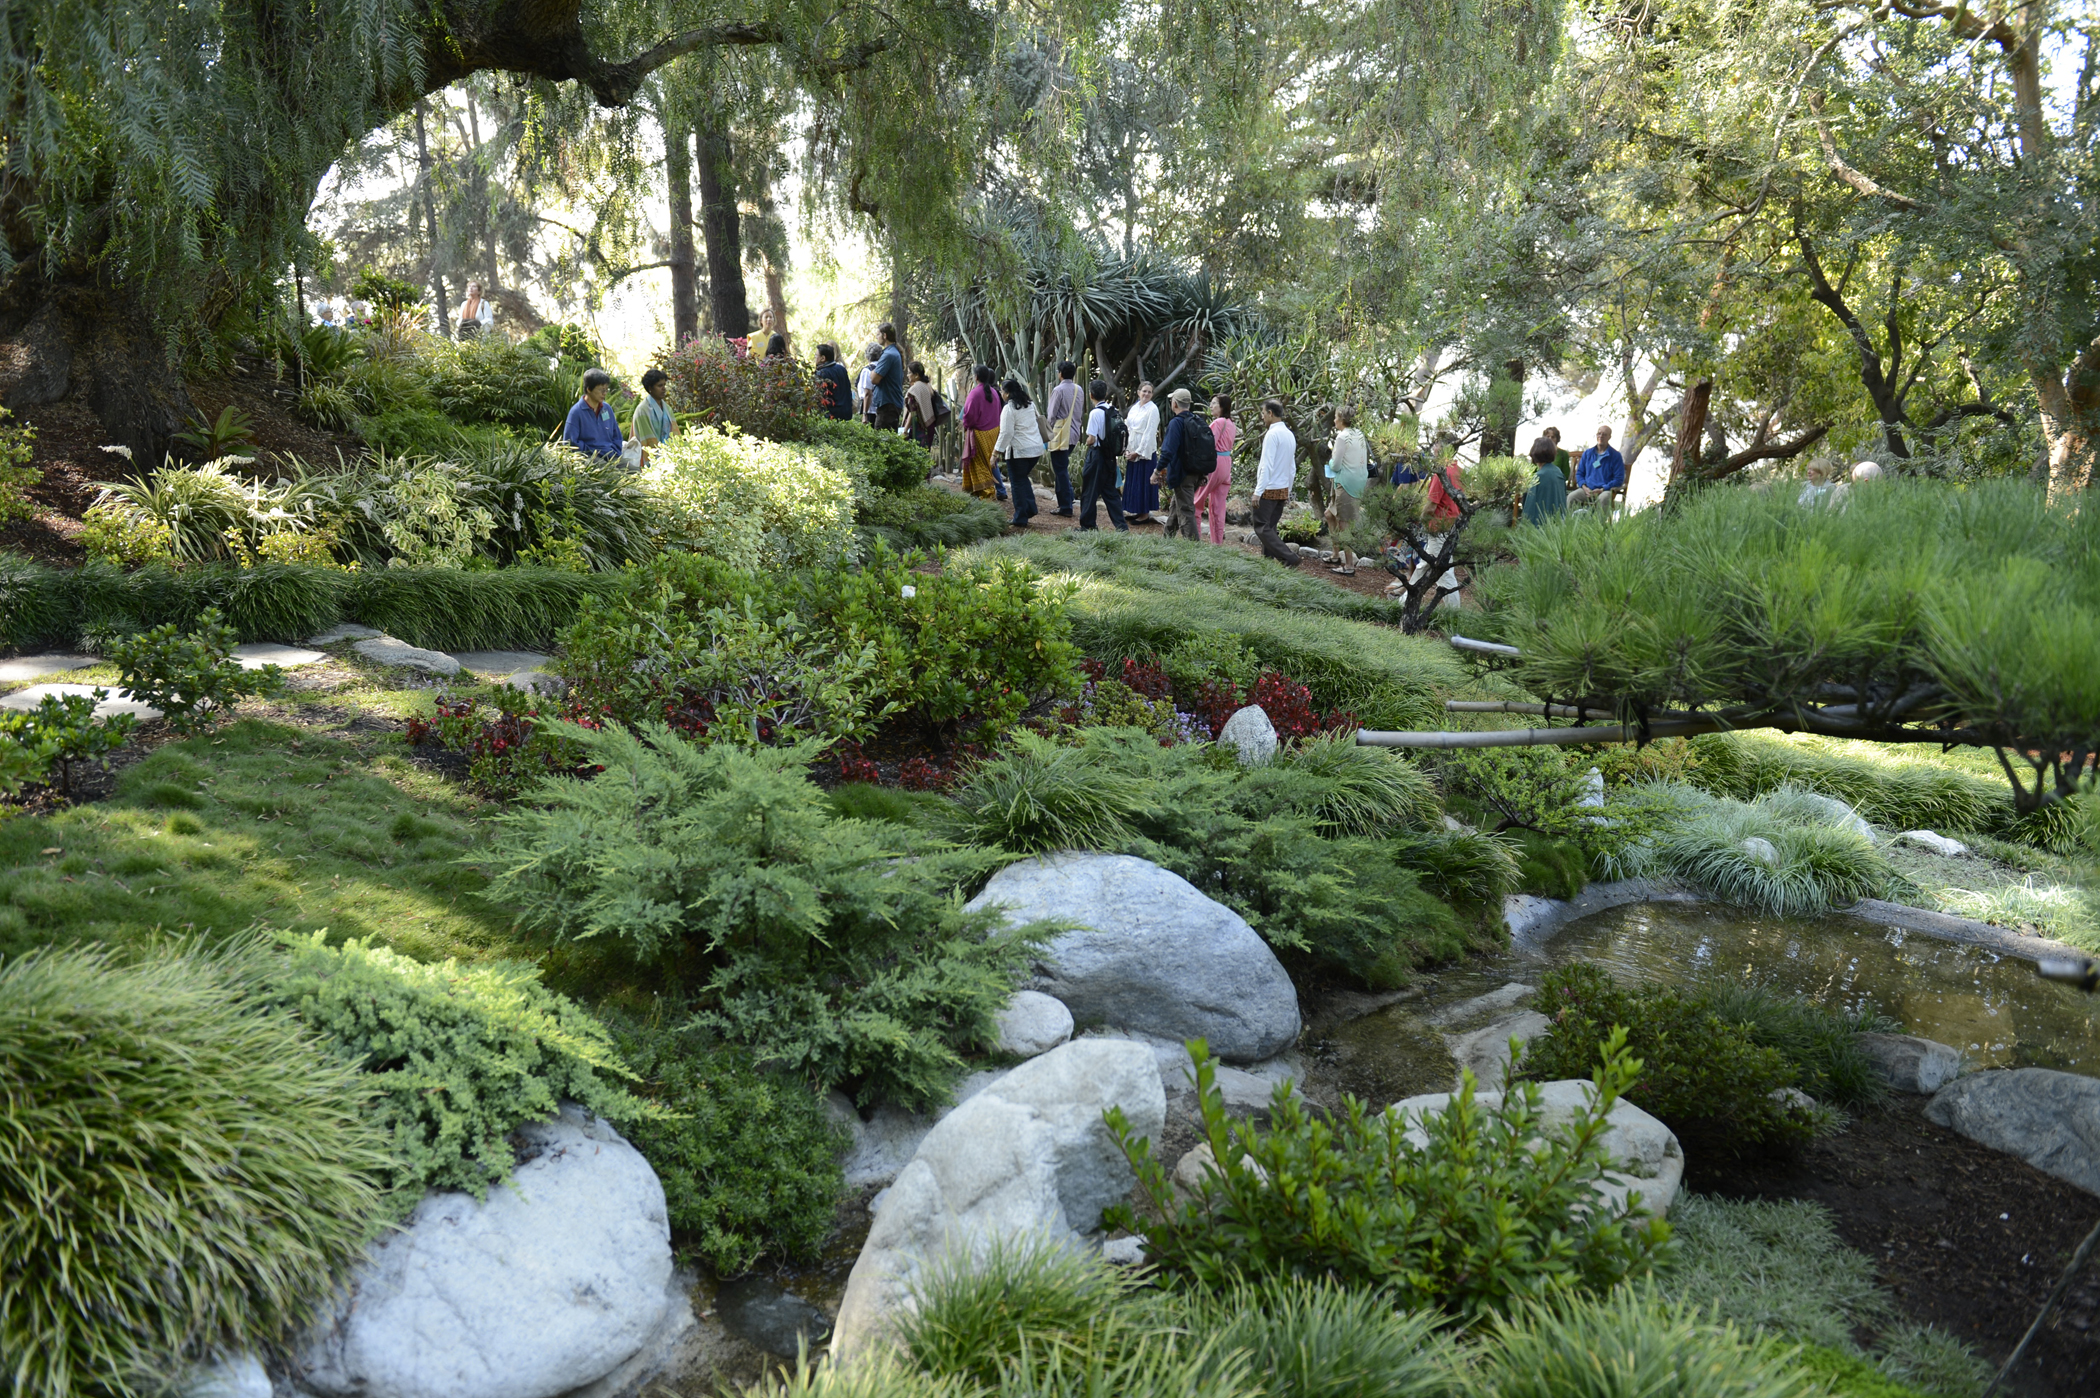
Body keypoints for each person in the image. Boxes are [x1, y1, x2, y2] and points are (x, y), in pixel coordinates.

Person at [1157, 388, 1212, 539]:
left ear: (1174, 404)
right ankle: (1167, 540)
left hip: (1182, 474)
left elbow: (1167, 451)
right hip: (1196, 472)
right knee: (1177, 506)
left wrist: (1157, 470)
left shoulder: (1176, 423)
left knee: (1186, 510)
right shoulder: (1198, 421)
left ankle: (1193, 548)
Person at [1252, 398, 1300, 567]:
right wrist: (1289, 489)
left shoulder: (1272, 434)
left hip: (1269, 488)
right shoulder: (1289, 434)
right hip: (1282, 488)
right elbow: (1292, 466)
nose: (1262, 417)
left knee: (1261, 526)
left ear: (1270, 413)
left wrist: (1258, 491)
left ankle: (1289, 558)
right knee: (1270, 527)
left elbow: (1266, 465)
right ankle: (1266, 563)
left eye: (1263, 413)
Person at [994, 378, 1046, 529]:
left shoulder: (1009, 408)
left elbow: (1006, 433)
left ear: (1008, 393)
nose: (1001, 394)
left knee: (1017, 483)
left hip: (1019, 451)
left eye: (1002, 391)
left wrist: (995, 453)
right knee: (1022, 478)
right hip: (1035, 449)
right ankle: (1030, 508)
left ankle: (1020, 517)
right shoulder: (1030, 404)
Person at [1079, 378, 1129, 532]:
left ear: (1090, 395)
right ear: (1106, 393)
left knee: (1089, 492)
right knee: (1111, 493)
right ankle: (1122, 527)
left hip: (1097, 456)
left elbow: (1091, 438)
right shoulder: (1112, 410)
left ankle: (1088, 526)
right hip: (1110, 458)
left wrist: (1087, 443)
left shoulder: (1095, 413)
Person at [1325, 405, 1369, 573]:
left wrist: (1329, 465)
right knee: (1329, 515)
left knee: (1344, 523)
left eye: (1336, 417)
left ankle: (1349, 565)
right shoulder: (1359, 434)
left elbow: (1335, 464)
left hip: (1345, 483)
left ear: (1342, 419)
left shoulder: (1342, 437)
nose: (1334, 420)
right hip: (1355, 480)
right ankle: (1336, 555)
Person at [1043, 360, 1085, 516]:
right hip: (1074, 434)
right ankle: (1068, 500)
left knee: (1060, 470)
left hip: (1060, 435)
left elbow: (1051, 415)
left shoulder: (1058, 390)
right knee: (1062, 467)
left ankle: (1066, 506)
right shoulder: (1078, 389)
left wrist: (1046, 434)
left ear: (1060, 374)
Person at [962, 365, 1005, 501]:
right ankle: (981, 492)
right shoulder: (994, 393)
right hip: (993, 432)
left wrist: (966, 425)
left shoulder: (975, 393)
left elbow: (968, 416)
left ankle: (987, 493)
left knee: (981, 464)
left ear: (976, 377)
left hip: (980, 434)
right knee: (989, 462)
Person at [563, 368, 626, 461]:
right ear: (589, 389)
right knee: (611, 473)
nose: (604, 393)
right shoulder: (576, 412)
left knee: (635, 471)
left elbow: (617, 435)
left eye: (606, 390)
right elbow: (570, 443)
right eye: (601, 390)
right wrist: (590, 451)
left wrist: (615, 452)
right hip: (589, 458)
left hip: (611, 455)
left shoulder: (607, 409)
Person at [1197, 395, 1235, 543]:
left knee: (1197, 501)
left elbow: (1208, 445)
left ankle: (1194, 540)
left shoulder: (1218, 422)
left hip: (1215, 463)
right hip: (1227, 464)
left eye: (1214, 404)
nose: (1211, 406)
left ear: (1222, 407)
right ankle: (1217, 543)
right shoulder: (1231, 423)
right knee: (1218, 507)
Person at [1123, 381, 1161, 523]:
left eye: (1149, 392)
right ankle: (1136, 509)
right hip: (1132, 447)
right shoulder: (1134, 408)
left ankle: (1144, 513)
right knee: (1134, 480)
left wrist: (1138, 452)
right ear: (1138, 392)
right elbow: (1128, 427)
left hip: (1145, 452)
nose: (1146, 394)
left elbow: (1149, 433)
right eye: (1144, 391)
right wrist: (1127, 449)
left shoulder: (1153, 409)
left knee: (1144, 481)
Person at [1571, 425, 1626, 507]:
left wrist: (1603, 489)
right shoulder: (1587, 453)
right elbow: (1579, 473)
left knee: (1604, 499)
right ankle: (1571, 520)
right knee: (1571, 497)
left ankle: (1600, 520)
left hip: (1604, 490)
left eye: (1604, 434)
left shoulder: (1615, 456)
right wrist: (1584, 487)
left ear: (1609, 437)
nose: (1601, 436)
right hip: (1587, 490)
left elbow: (1619, 479)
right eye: (1599, 433)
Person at [630, 368, 675, 466]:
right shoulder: (642, 410)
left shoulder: (667, 409)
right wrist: (662, 457)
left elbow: (674, 434)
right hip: (650, 459)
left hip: (669, 456)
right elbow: (648, 441)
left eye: (664, 385)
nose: (664, 388)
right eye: (660, 385)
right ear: (650, 388)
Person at [1521, 434, 1567, 525]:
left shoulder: (1538, 477)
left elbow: (1529, 509)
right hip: (1558, 524)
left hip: (1540, 527)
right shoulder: (1558, 473)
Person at [871, 324, 905, 431]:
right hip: (891, 404)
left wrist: (872, 372)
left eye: (878, 335)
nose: (877, 337)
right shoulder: (893, 352)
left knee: (882, 441)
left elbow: (874, 379)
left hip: (887, 405)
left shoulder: (888, 355)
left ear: (884, 336)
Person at [813, 343, 854, 421]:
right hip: (846, 413)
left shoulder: (821, 373)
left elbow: (819, 398)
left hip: (831, 416)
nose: (815, 358)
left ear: (823, 358)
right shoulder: (842, 369)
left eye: (816, 356)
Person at [905, 361, 939, 450]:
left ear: (916, 375)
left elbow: (912, 413)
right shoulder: (927, 385)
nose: (907, 375)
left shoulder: (915, 390)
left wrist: (905, 431)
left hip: (919, 429)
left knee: (917, 458)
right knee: (925, 457)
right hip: (930, 425)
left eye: (909, 373)